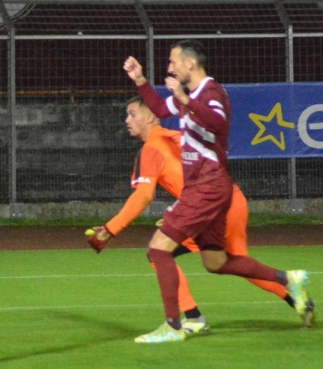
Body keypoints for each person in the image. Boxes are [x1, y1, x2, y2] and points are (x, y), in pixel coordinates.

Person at [121, 39, 312, 343]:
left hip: (207, 186)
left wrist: (183, 98)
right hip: (207, 186)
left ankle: (173, 326)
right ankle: (288, 279)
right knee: (216, 262)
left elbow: (216, 121)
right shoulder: (192, 94)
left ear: (189, 64)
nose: (169, 68)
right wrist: (141, 81)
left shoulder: (211, 92)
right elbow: (158, 108)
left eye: (172, 62)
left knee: (158, 249)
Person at [85, 96, 299, 334]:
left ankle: (188, 319)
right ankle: (295, 295)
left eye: (132, 114)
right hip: (228, 198)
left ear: (150, 117)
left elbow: (143, 196)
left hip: (210, 206)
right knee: (230, 262)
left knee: (159, 253)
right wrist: (179, 212)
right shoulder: (174, 138)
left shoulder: (152, 147)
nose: (127, 120)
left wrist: (111, 228)